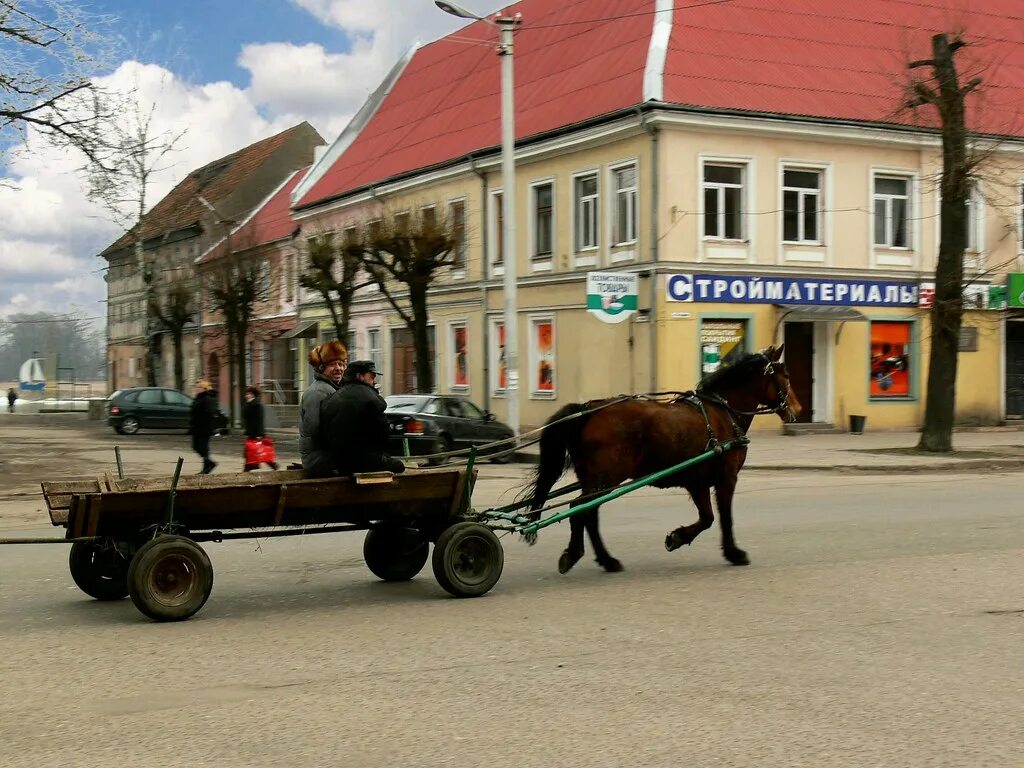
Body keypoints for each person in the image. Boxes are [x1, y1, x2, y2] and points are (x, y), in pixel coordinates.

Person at [322, 360, 406, 476]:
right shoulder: (371, 398)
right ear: (360, 376)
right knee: (399, 466)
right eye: (371, 377)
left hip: (338, 463)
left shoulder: (333, 398)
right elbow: (383, 434)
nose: (374, 381)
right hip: (362, 462)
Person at [300, 340, 347, 476]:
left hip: (327, 455)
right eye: (332, 364)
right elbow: (315, 431)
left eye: (341, 364)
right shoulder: (317, 392)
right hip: (316, 458)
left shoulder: (334, 388)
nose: (339, 368)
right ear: (321, 368)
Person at [242, 386, 279, 472]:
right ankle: (249, 468)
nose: (246, 395)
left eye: (248, 394)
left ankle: (272, 465)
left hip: (256, 433)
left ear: (252, 395)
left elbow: (259, 421)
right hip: (252, 433)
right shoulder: (250, 404)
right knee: (252, 452)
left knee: (256, 452)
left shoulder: (257, 405)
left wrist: (259, 434)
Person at [189, 379, 220, 474]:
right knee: (196, 447)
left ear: (205, 388)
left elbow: (210, 412)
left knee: (203, 447)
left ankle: (207, 467)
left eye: (199, 387)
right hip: (197, 427)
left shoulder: (208, 398)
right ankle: (210, 463)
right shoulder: (199, 397)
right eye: (197, 387)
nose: (197, 389)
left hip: (204, 427)